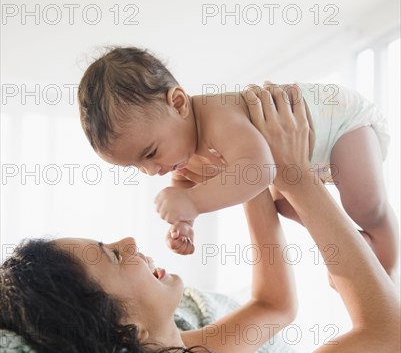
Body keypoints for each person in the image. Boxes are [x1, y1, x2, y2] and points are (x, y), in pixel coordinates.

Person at [1, 86, 399, 353]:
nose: (129, 241)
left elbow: (274, 306)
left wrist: (251, 175)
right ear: (123, 330)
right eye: (112, 256)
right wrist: (295, 176)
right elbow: (386, 335)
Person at [78, 47, 398, 282]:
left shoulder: (217, 114)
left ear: (177, 103)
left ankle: (384, 241)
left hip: (340, 123)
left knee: (363, 204)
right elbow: (187, 184)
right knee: (283, 205)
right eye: (136, 166)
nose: (151, 170)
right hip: (306, 157)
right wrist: (186, 222)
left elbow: (258, 170)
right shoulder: (183, 155)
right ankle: (354, 244)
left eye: (149, 153)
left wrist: (192, 202)